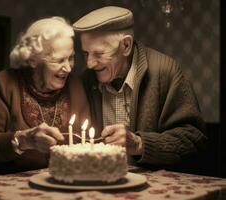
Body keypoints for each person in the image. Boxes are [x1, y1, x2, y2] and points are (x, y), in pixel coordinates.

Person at [73, 6, 207, 170]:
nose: (89, 64)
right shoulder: (86, 80)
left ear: (126, 46)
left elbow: (194, 140)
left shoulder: (165, 71)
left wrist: (139, 143)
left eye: (99, 54)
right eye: (86, 53)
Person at [0, 17, 90, 170]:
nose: (68, 68)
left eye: (71, 58)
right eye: (59, 60)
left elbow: (86, 141)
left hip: (67, 181)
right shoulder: (6, 82)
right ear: (33, 60)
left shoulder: (75, 86)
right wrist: (24, 140)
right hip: (14, 186)